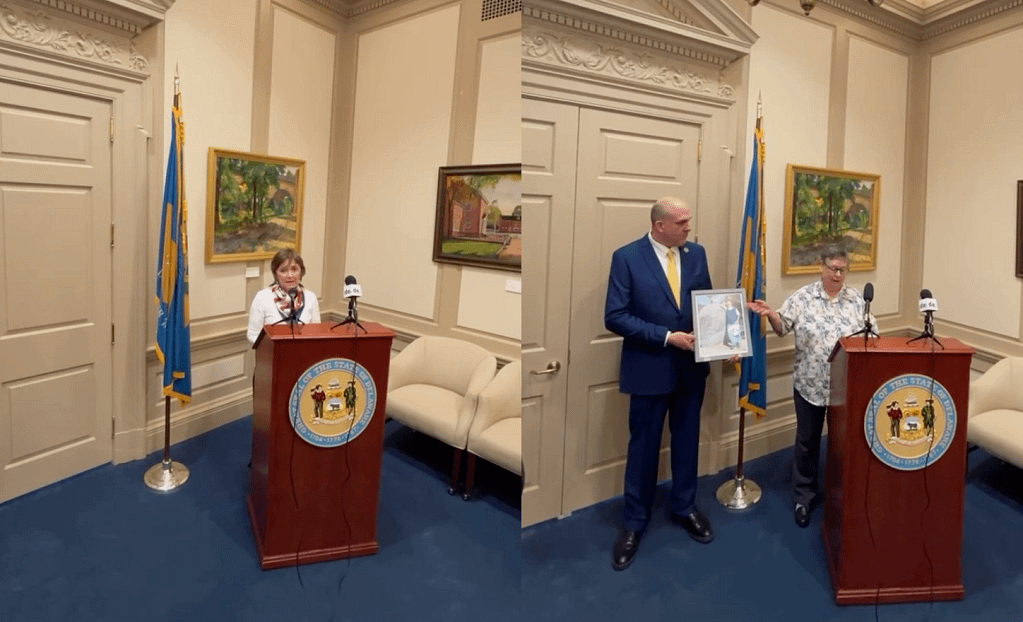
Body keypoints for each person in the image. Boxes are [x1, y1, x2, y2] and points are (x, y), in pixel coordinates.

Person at [604, 196, 715, 572]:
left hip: (690, 371)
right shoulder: (627, 257)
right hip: (649, 368)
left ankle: (685, 507)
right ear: (659, 226)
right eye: (681, 222)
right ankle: (634, 524)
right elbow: (615, 316)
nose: (688, 228)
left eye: (688, 222)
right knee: (643, 449)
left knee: (686, 442)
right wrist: (668, 336)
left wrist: (725, 340)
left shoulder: (696, 254)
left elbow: (707, 306)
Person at [747, 248, 874, 528]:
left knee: (842, 442)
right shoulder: (803, 297)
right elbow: (782, 327)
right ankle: (803, 496)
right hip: (809, 383)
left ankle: (839, 492)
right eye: (832, 268)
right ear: (821, 267)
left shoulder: (855, 300)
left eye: (842, 270)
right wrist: (770, 314)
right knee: (807, 442)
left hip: (845, 387)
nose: (837, 275)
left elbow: (872, 336)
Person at [246, 248, 322, 344]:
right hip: (273, 355)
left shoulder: (310, 297)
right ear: (275, 274)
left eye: (294, 269)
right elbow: (253, 334)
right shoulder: (262, 297)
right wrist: (273, 347)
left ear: (301, 272)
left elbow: (316, 333)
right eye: (283, 270)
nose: (290, 275)